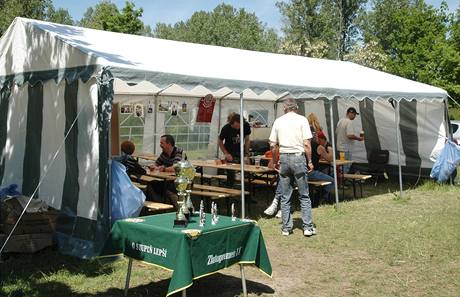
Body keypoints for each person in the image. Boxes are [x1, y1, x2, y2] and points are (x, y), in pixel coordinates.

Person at [268, 98, 316, 237]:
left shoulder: (278, 121)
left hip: (283, 158)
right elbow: (306, 143)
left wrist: (274, 160)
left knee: (285, 195)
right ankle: (307, 227)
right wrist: (310, 161)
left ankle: (286, 228)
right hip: (298, 157)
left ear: (284, 108)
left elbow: (272, 145)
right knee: (304, 194)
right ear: (296, 108)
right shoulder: (302, 120)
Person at [147, 134, 184, 209]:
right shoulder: (164, 153)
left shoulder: (179, 152)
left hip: (180, 181)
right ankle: (160, 206)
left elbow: (176, 168)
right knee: (151, 184)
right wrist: (153, 167)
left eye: (162, 143)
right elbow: (156, 163)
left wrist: (163, 168)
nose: (160, 145)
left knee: (169, 189)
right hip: (169, 180)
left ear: (169, 144)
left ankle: (180, 209)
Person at [218, 113, 251, 187]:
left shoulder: (245, 126)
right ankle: (229, 193)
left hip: (241, 151)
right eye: (236, 126)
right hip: (230, 152)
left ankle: (247, 195)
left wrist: (246, 154)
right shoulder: (226, 128)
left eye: (239, 126)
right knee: (231, 174)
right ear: (231, 123)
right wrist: (226, 153)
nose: (238, 128)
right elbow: (220, 141)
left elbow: (247, 140)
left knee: (247, 172)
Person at [336, 107, 364, 173]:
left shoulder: (340, 121)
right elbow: (349, 135)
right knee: (346, 165)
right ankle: (343, 180)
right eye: (354, 114)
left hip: (340, 148)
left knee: (341, 165)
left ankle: (340, 180)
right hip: (346, 149)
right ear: (350, 113)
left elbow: (336, 132)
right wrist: (358, 138)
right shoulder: (349, 122)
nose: (354, 116)